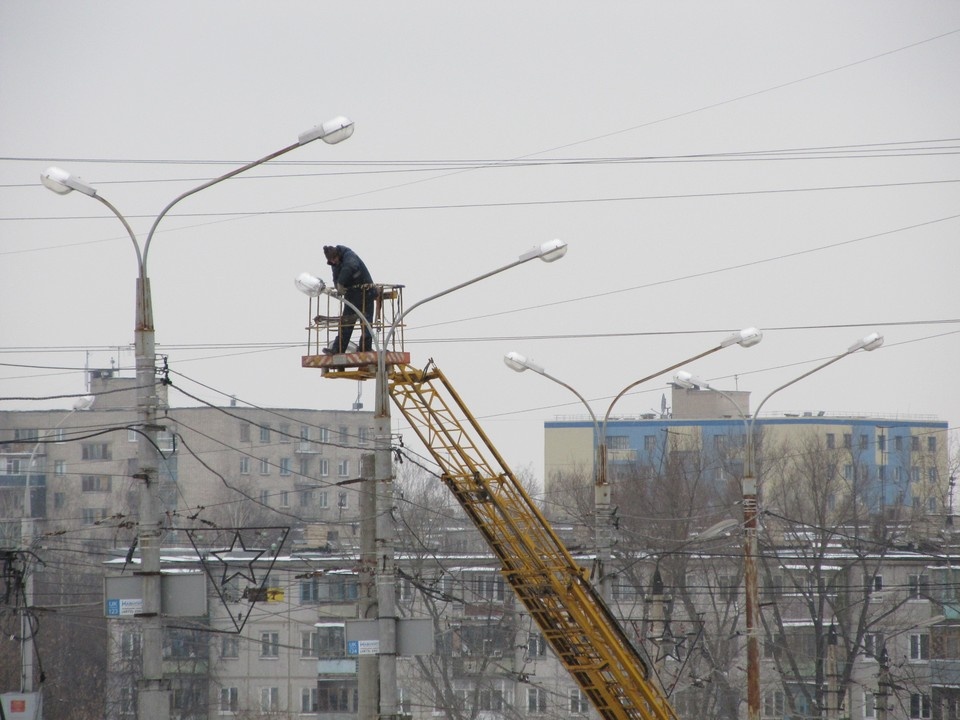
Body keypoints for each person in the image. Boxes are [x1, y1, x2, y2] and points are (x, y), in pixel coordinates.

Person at [322, 245, 376, 354]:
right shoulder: (335, 263)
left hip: (366, 292)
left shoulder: (349, 256)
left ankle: (365, 348)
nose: (334, 262)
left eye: (334, 259)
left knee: (366, 323)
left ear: (338, 254)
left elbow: (350, 267)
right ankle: (338, 349)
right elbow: (336, 277)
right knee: (346, 322)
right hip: (352, 295)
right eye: (332, 261)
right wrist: (338, 286)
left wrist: (341, 282)